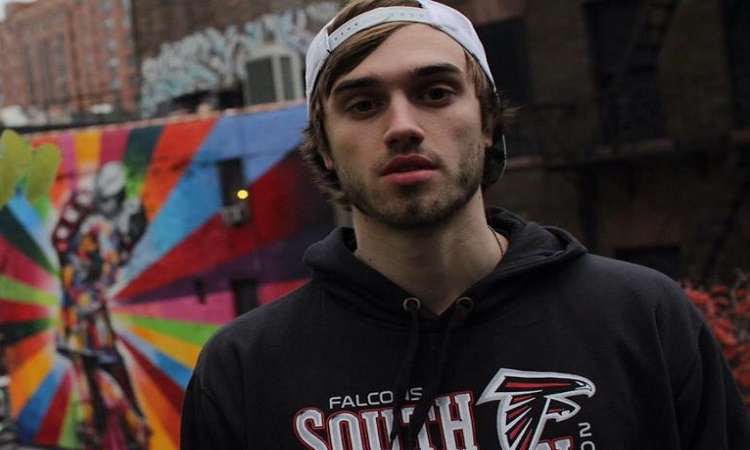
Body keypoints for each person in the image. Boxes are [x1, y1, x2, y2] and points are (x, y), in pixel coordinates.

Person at [180, 0, 750, 448]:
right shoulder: (245, 372)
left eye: (435, 92)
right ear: (325, 147)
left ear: (487, 121)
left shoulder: (642, 319)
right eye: (363, 104)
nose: (402, 126)